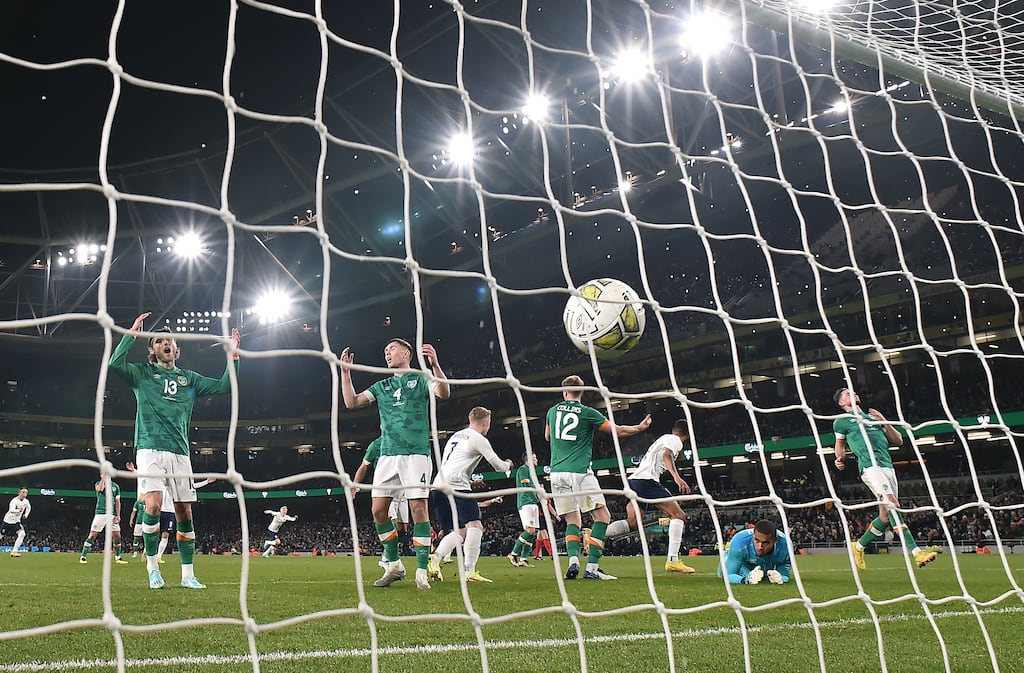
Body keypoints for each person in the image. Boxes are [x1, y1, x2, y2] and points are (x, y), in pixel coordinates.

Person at [108, 312, 240, 590]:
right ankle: (153, 568)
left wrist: (234, 357)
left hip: (180, 452)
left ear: (176, 348)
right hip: (149, 448)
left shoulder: (188, 379)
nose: (165, 343)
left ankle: (188, 575)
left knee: (184, 514)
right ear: (152, 350)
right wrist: (132, 333)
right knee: (153, 504)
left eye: (169, 340)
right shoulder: (142, 374)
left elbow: (224, 386)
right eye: (158, 341)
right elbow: (115, 363)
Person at [340, 338, 450, 589]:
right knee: (378, 511)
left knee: (418, 509)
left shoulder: (421, 378)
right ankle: (395, 565)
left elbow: (444, 392)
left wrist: (435, 365)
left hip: (415, 453)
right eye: (385, 351)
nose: (387, 354)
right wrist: (346, 374)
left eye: (392, 349)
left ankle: (421, 570)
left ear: (406, 353)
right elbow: (351, 402)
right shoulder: (382, 386)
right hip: (388, 454)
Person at [546, 374, 651, 580]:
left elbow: (548, 436)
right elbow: (618, 431)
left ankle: (573, 561)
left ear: (564, 392)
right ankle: (592, 568)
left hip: (556, 473)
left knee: (572, 520)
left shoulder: (552, 411)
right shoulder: (588, 413)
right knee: (603, 517)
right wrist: (640, 428)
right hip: (579, 472)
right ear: (582, 392)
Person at [833, 388, 937, 569]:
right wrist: (839, 459)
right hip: (870, 467)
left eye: (854, 392)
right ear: (841, 402)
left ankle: (858, 547)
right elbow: (840, 445)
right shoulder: (841, 421)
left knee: (885, 517)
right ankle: (916, 552)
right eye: (848, 393)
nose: (853, 394)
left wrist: (884, 420)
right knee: (892, 504)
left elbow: (898, 440)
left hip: (887, 467)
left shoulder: (873, 417)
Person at [427, 407, 514, 583]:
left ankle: (435, 558)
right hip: (456, 485)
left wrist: (470, 481)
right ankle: (470, 571)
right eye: (489, 423)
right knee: (476, 526)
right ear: (485, 423)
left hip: (438, 485)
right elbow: (498, 466)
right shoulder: (478, 438)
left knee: (460, 530)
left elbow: (453, 463)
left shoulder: (456, 435)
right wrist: (508, 464)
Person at [605, 419, 696, 574]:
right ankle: (673, 561)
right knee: (678, 515)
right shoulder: (675, 440)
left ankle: (595, 534)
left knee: (633, 523)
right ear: (687, 435)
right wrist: (677, 477)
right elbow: (667, 455)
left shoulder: (663, 439)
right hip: (647, 481)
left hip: (633, 481)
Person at [351, 437, 411, 568]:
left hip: (402, 489)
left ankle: (387, 554)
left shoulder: (402, 441)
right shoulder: (376, 445)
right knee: (392, 523)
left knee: (403, 529)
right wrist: (354, 484)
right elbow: (364, 466)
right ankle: (389, 559)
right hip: (386, 488)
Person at [507, 452, 559, 567]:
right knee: (530, 530)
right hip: (526, 502)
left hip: (533, 503)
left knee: (532, 532)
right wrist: (537, 494)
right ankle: (513, 554)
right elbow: (526, 486)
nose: (537, 460)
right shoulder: (523, 470)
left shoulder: (531, 472)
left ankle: (523, 559)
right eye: (535, 458)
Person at [719, 519, 792, 584]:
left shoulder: (786, 546)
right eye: (757, 540)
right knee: (725, 568)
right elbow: (728, 575)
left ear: (775, 540)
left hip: (765, 564)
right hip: (741, 561)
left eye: (765, 543)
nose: (760, 547)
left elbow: (784, 575)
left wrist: (780, 578)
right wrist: (745, 580)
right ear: (753, 536)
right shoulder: (739, 542)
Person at [80, 474, 129, 564]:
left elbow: (118, 501)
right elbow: (100, 489)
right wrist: (103, 479)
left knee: (117, 536)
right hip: (101, 513)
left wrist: (118, 515)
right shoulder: (98, 483)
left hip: (112, 514)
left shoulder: (115, 486)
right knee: (93, 535)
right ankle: (83, 557)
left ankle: (118, 558)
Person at [2, 488, 31, 557]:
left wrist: (26, 514)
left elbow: (29, 508)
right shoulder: (14, 500)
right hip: (7, 521)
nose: (24, 494)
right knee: (1, 535)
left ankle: (14, 551)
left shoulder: (26, 501)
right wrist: (18, 510)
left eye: (26, 492)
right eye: (23, 492)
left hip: (16, 522)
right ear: (19, 493)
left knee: (22, 534)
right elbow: (11, 510)